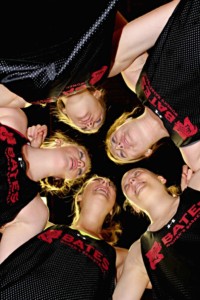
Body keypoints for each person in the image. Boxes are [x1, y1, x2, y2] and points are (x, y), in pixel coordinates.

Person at [0, 1, 127, 133]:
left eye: (83, 128)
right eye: (98, 120)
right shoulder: (100, 66)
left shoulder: (28, 98)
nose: (89, 124)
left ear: (65, 113)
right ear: (97, 94)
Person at [106, 0, 200, 173]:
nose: (120, 144)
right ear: (147, 153)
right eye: (122, 153)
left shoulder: (135, 80)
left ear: (122, 122)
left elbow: (110, 21)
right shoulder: (190, 149)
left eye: (114, 140)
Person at [1, 175, 128, 300]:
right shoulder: (41, 224)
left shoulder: (118, 256)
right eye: (97, 180)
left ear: (112, 209)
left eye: (111, 185)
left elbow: (145, 271)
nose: (105, 183)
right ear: (79, 197)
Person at [0, 106, 91, 262]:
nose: (80, 163)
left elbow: (4, 269)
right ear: (60, 142)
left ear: (64, 179)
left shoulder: (34, 213)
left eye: (80, 172)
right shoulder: (14, 121)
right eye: (81, 154)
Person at [112, 165, 200, 299]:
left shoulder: (195, 188)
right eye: (126, 186)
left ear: (161, 179)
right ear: (134, 207)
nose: (132, 181)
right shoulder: (139, 250)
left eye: (137, 173)